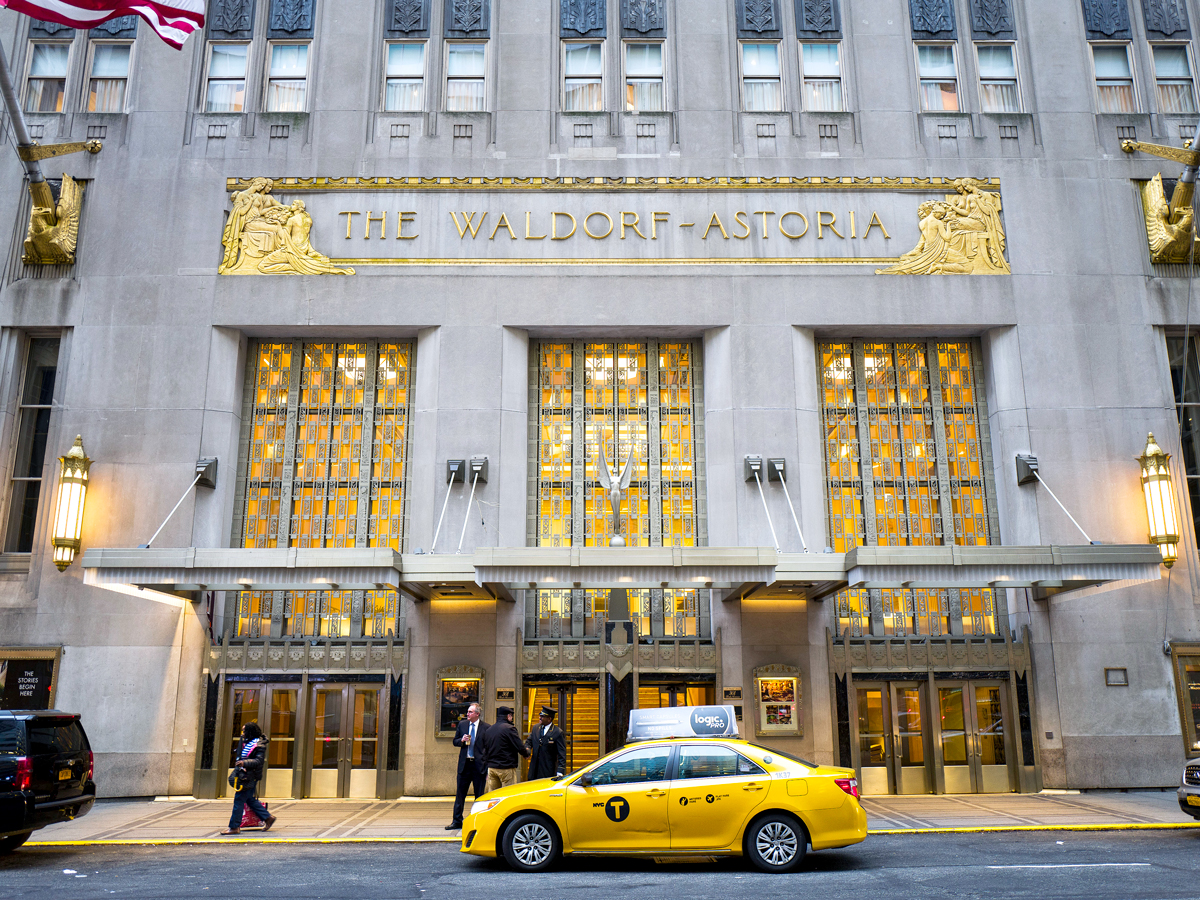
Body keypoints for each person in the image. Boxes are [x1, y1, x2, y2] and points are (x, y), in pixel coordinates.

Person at [221, 722, 276, 835]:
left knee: (239, 800)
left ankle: (234, 827)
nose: (242, 733)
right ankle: (268, 818)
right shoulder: (246, 741)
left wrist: (244, 763)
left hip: (249, 776)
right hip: (244, 774)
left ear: (250, 732)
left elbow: (258, 761)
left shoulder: (259, 744)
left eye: (244, 731)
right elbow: (240, 754)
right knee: (249, 799)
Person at [447, 702, 488, 830]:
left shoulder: (486, 727)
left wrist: (487, 769)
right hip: (465, 765)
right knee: (460, 794)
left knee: (479, 796)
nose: (468, 714)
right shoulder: (462, 725)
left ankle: (478, 820)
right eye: (468, 711)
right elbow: (455, 741)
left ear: (477, 714)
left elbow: (488, 748)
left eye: (470, 712)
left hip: (478, 765)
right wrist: (462, 741)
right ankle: (457, 820)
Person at [479, 705, 529, 793]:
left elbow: (485, 750)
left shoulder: (489, 729)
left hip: (492, 768)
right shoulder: (509, 729)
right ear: (508, 716)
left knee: (493, 796)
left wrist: (487, 766)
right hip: (506, 768)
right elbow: (519, 746)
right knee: (508, 794)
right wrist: (526, 754)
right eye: (511, 716)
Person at [525, 705, 566, 780]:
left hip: (548, 771)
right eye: (540, 715)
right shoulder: (536, 728)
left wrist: (560, 771)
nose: (539, 718)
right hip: (534, 770)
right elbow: (529, 741)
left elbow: (562, 754)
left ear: (549, 719)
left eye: (542, 716)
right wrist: (527, 749)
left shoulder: (557, 732)